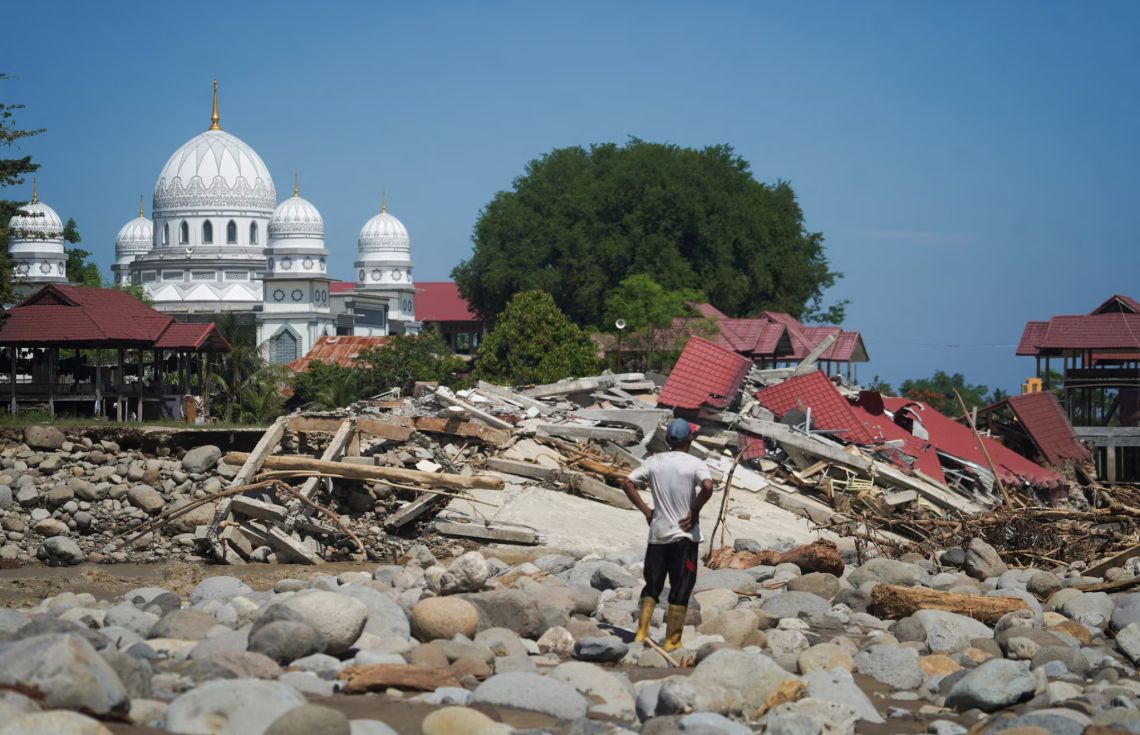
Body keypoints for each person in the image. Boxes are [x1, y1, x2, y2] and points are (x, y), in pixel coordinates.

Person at [619, 418, 714, 651]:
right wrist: (695, 510)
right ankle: (672, 641)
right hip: (684, 536)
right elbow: (708, 487)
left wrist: (646, 511)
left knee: (652, 585)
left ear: (668, 440)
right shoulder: (694, 463)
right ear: (689, 439)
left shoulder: (654, 462)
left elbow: (627, 482)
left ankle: (641, 633)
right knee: (681, 586)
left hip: (658, 534)